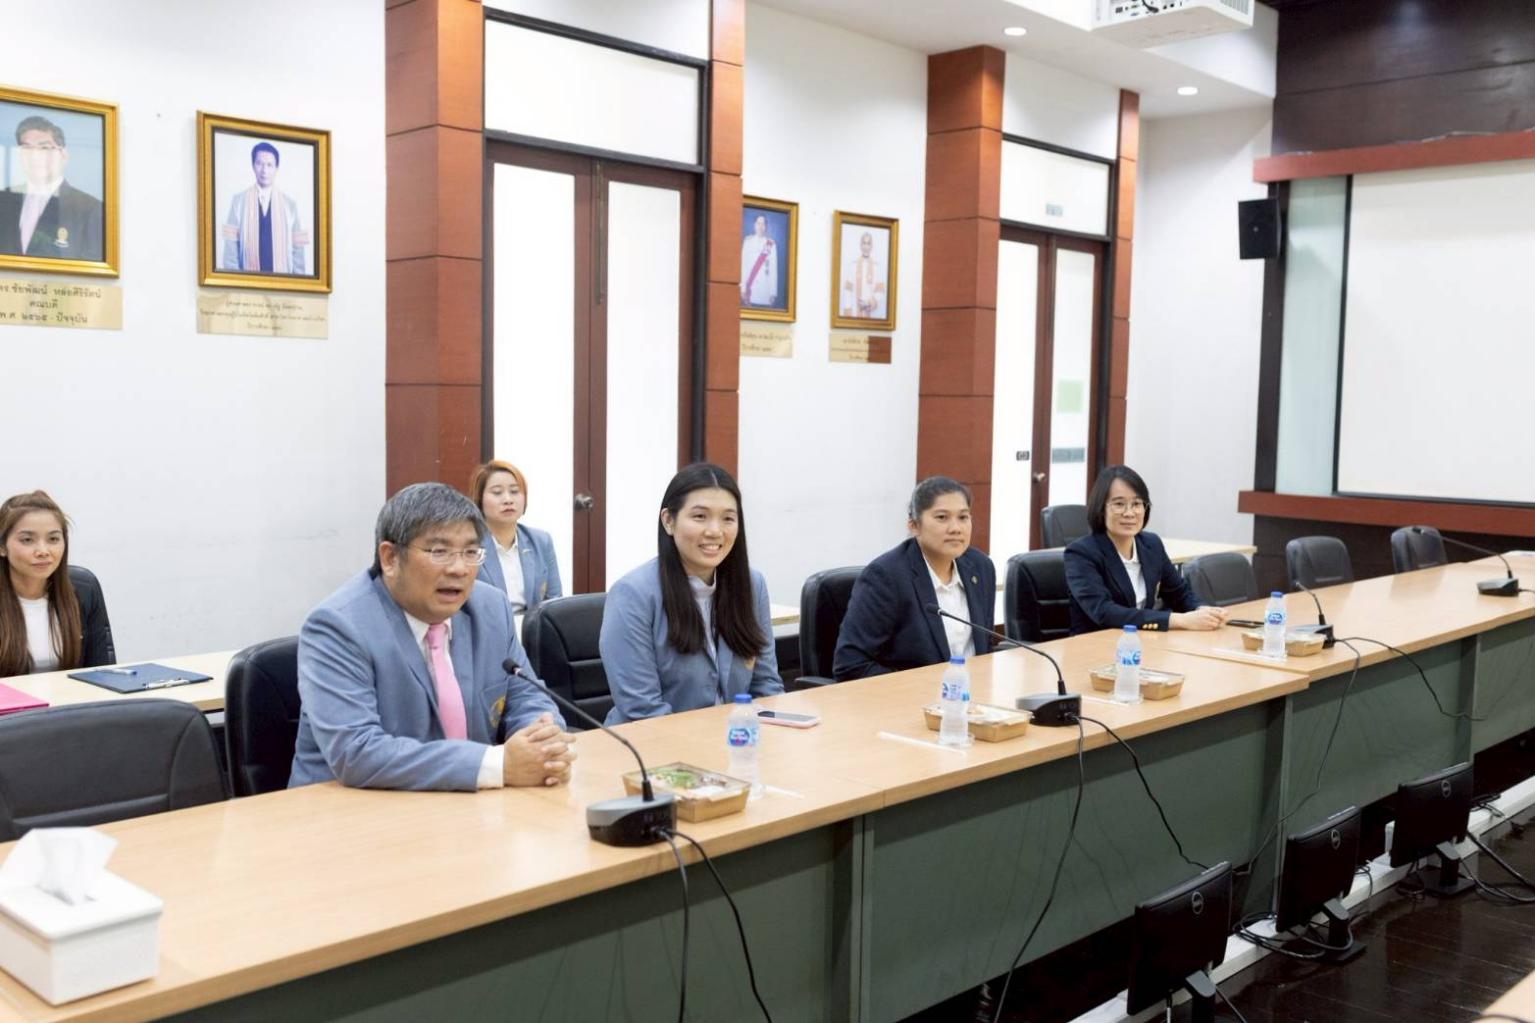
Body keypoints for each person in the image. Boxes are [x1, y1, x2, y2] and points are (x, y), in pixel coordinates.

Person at [289, 483, 576, 791]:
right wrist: (499, 765)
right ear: (390, 558)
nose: (459, 569)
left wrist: (543, 742)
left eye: (470, 552)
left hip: (467, 802)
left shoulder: (491, 607)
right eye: (439, 552)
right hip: (349, 808)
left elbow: (527, 697)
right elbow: (356, 752)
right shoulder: (338, 626)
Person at [601, 463, 780, 724]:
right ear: (668, 521)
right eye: (699, 516)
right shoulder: (632, 595)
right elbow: (643, 710)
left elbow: (767, 688)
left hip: (738, 738)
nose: (715, 531)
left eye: (728, 518)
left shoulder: (752, 585)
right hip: (653, 742)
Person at [834, 476, 998, 680]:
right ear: (914, 526)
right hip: (909, 696)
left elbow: (984, 648)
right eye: (942, 517)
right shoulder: (886, 577)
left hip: (973, 693)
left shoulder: (981, 567)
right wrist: (920, 688)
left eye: (963, 517)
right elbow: (850, 665)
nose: (956, 528)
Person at [1063, 465, 1229, 635]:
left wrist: (1202, 610)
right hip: (1096, 644)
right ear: (1101, 508)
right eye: (1119, 504)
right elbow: (1104, 612)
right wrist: (1179, 620)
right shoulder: (1081, 553)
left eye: (1136, 504)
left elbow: (1179, 593)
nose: (1129, 513)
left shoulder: (1151, 544)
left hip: (1142, 641)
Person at [0, 491, 114, 677]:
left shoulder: (84, 589)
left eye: (53, 539)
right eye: (27, 540)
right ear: (2, 547)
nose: (43, 551)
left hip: (72, 696)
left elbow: (103, 673)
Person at [0, 116, 104, 262]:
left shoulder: (89, 208)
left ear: (63, 155)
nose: (34, 156)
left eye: (44, 148)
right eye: (27, 148)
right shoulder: (3, 199)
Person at [469, 460, 562, 615]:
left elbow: (554, 601)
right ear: (479, 500)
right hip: (488, 627)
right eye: (497, 492)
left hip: (532, 627)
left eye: (514, 491)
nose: (508, 500)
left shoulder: (541, 541)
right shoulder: (468, 544)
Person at [220, 141, 310, 274]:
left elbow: (298, 251)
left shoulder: (290, 205)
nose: (264, 171)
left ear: (276, 168)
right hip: (247, 282)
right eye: (259, 164)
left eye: (269, 165)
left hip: (282, 282)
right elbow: (230, 250)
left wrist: (297, 283)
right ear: (253, 165)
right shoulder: (238, 201)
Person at [839, 230, 885, 320]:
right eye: (864, 243)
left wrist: (869, 302)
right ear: (860, 245)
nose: (866, 247)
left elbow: (880, 291)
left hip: (871, 313)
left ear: (871, 246)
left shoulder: (876, 267)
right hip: (855, 312)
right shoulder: (853, 265)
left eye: (868, 244)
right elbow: (847, 291)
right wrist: (848, 311)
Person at [739, 213, 777, 308]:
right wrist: (742, 289)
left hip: (765, 291)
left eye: (763, 224)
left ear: (766, 226)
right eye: (758, 223)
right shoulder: (748, 242)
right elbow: (743, 267)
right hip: (750, 289)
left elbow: (773, 270)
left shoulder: (771, 244)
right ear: (754, 225)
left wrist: (773, 292)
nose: (760, 227)